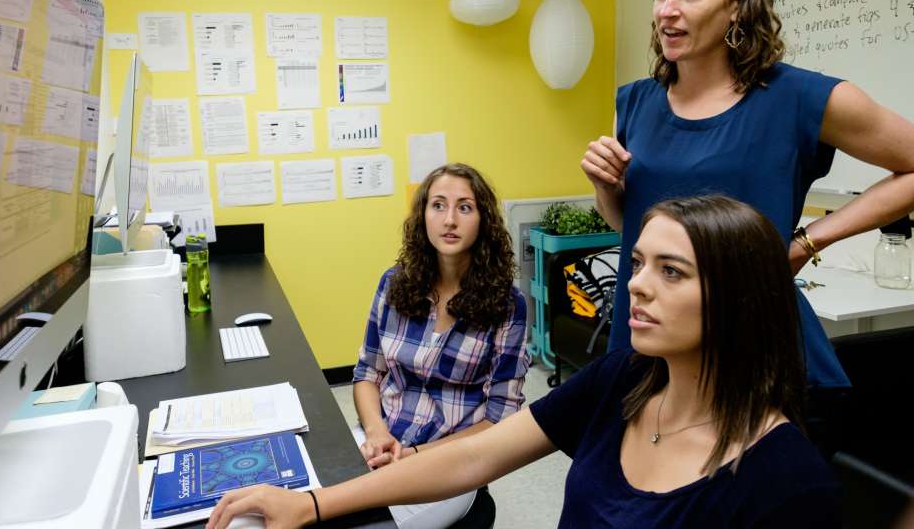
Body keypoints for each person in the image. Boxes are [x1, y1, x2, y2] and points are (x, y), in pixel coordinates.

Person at [206, 195, 841, 529]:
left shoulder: (786, 480)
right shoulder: (621, 381)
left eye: (671, 272)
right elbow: (479, 455)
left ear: (738, 299)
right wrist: (314, 503)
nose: (636, 286)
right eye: (639, 262)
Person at [579, 0, 914, 389]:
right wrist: (606, 187)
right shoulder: (633, 104)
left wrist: (808, 243)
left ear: (738, 5)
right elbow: (630, 225)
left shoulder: (798, 98)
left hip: (753, 345)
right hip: (652, 342)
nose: (667, 11)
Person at [350, 162, 529, 528]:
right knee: (311, 499)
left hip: (452, 461)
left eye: (464, 207)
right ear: (423, 216)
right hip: (384, 441)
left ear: (483, 220)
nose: (450, 219)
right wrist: (378, 433)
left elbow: (501, 420)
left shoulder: (508, 305)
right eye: (438, 205)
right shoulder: (393, 284)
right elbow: (368, 373)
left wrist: (415, 454)